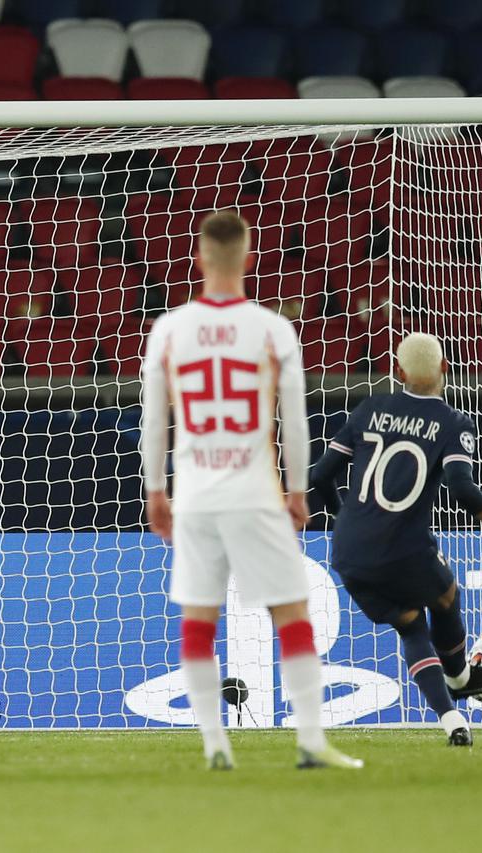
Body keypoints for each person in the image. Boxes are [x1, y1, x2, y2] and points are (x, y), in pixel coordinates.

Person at [140, 210, 362, 771]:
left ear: (199, 258)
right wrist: (296, 489)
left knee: (198, 619)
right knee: (292, 615)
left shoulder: (170, 329)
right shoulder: (272, 330)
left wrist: (156, 490)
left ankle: (216, 746)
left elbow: (153, 421)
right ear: (248, 257)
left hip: (195, 492)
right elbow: (294, 419)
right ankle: (311, 740)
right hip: (254, 490)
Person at [311, 332, 482, 746]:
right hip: (402, 548)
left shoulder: (370, 407)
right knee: (446, 595)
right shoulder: (452, 423)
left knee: (411, 625)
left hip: (349, 552)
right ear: (445, 368)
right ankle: (460, 678)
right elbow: (464, 492)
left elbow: (319, 476)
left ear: (398, 372)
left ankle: (453, 721)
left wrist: (345, 517)